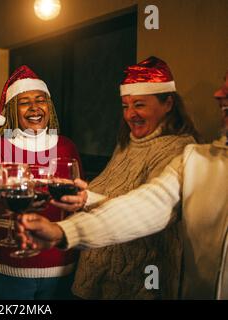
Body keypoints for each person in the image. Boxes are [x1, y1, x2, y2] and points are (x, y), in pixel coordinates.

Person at [18, 70, 228, 300]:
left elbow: (153, 219)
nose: (219, 94)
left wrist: (70, 221)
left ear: (168, 103)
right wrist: (70, 220)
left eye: (139, 104)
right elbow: (146, 205)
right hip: (94, 279)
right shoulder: (141, 146)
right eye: (125, 106)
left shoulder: (178, 149)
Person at [0, 65, 84, 300]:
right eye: (25, 102)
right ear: (13, 111)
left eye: (40, 100)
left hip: (60, 265)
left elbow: (79, 202)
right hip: (6, 266)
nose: (35, 108)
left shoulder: (67, 146)